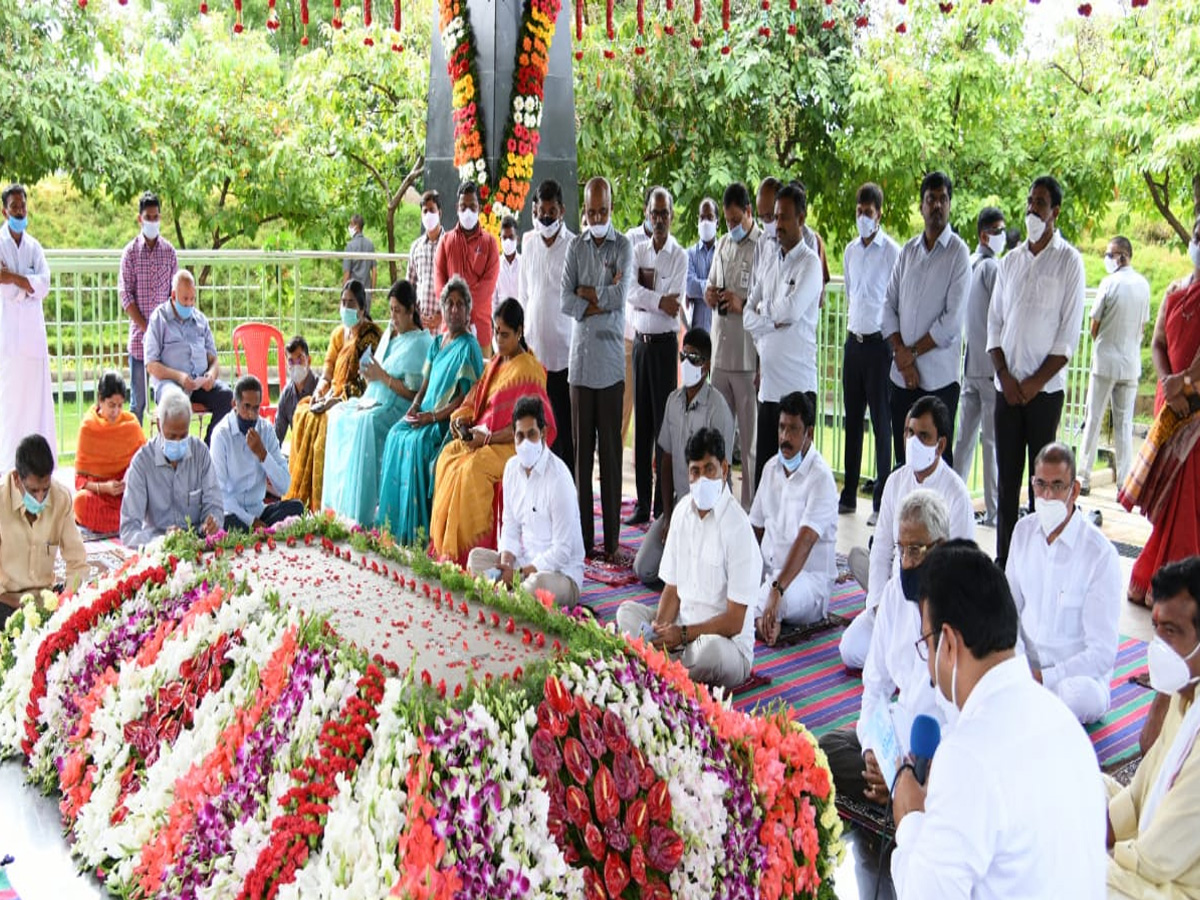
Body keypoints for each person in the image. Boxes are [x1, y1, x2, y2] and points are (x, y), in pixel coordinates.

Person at [889, 539, 1106, 899]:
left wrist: (911, 818)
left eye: (926, 644)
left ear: (948, 643)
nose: (928, 663)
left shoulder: (967, 754)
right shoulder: (1064, 722)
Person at [819, 489, 951, 809]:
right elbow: (875, 684)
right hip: (899, 732)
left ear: (941, 547)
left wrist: (907, 769)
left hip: (941, 749)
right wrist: (872, 752)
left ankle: (905, 793)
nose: (906, 562)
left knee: (948, 787)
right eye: (901, 549)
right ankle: (898, 792)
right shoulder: (894, 593)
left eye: (916, 550)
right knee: (824, 751)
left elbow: (964, 717)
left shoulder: (958, 602)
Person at [616, 427, 761, 691]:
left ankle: (654, 665)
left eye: (710, 470)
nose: (702, 478)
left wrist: (682, 635)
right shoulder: (682, 511)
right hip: (680, 631)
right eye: (696, 471)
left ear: (725, 470)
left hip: (725, 645)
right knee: (626, 611)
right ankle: (661, 662)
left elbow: (734, 621)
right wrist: (660, 630)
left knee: (709, 652)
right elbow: (672, 589)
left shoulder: (738, 527)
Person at [988, 175, 1086, 566]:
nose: (1032, 210)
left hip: (1044, 394)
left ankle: (1038, 565)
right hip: (1006, 391)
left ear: (1055, 212)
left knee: (1042, 487)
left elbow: (1066, 340)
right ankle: (1004, 565)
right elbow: (994, 326)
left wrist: (1031, 384)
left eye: (1040, 203)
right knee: (1007, 482)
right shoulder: (1009, 261)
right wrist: (1007, 379)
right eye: (1029, 202)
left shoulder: (1069, 261)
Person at [840, 395, 975, 669]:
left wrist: (929, 618)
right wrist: (877, 606)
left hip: (934, 610)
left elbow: (961, 571)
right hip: (894, 595)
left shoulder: (956, 493)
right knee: (850, 648)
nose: (913, 442)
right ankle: (908, 665)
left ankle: (910, 664)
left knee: (932, 654)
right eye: (909, 432)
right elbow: (881, 549)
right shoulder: (895, 481)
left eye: (923, 436)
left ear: (941, 445)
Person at [430, 297, 555, 565]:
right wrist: (461, 420)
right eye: (496, 332)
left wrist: (487, 438)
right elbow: (474, 399)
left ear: (520, 332)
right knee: (448, 457)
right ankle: (445, 549)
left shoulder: (530, 371)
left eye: (505, 334)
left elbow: (529, 429)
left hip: (512, 445)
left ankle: (469, 554)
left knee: (470, 470)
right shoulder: (498, 362)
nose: (498, 340)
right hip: (483, 438)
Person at [1004, 442, 1121, 723]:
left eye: (1057, 486)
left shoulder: (1099, 554)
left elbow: (1102, 653)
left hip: (1075, 679)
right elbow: (1007, 612)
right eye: (1040, 484)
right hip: (1026, 669)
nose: (1047, 495)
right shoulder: (1022, 532)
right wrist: (1018, 666)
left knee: (1077, 697)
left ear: (1075, 490)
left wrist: (1046, 677)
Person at [1105, 556, 1200, 899]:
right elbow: (1141, 786)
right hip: (1152, 861)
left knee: (1074, 875)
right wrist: (1103, 824)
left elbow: (1157, 860)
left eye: (1171, 632)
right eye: (1155, 628)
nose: (1158, 646)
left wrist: (1086, 844)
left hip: (1179, 887)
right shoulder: (1186, 693)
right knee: (1075, 773)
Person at [1119, 217, 1200, 607]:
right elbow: (1157, 343)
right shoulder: (1174, 290)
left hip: (1196, 414)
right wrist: (1170, 383)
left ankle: (1176, 587)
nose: (1199, 242)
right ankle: (1159, 579)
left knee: (1187, 504)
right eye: (1198, 235)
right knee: (1168, 503)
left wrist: (1185, 384)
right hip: (1171, 409)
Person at [376, 277, 484, 543]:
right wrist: (413, 410)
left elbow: (464, 399)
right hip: (424, 413)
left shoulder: (469, 347)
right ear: (443, 309)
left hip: (444, 422)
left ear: (468, 310)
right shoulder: (437, 343)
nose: (455, 309)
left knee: (418, 445)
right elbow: (424, 386)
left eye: (461, 304)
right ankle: (395, 527)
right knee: (395, 435)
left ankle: (420, 532)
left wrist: (432, 417)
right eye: (450, 304)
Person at [561, 176, 633, 561]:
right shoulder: (575, 246)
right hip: (580, 366)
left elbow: (622, 298)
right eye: (591, 212)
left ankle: (612, 543)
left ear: (612, 208)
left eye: (603, 211)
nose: (597, 217)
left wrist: (588, 293)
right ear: (584, 210)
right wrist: (598, 296)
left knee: (610, 456)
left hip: (609, 366)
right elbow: (564, 299)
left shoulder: (624, 246)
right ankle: (584, 542)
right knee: (581, 458)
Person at [321, 280, 431, 526]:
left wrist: (383, 378)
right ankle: (338, 507)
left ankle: (362, 514)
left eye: (398, 311)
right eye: (390, 310)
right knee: (338, 413)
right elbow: (377, 370)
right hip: (373, 398)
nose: (393, 317)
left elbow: (415, 394)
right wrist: (371, 375)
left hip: (397, 408)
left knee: (365, 424)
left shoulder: (421, 343)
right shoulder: (390, 334)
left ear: (411, 310)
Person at [736, 183, 824, 489]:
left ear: (801, 218)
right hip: (769, 391)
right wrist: (769, 321)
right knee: (768, 480)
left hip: (798, 388)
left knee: (797, 481)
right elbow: (747, 313)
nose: (778, 224)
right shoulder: (771, 258)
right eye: (775, 217)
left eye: (784, 217)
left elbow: (792, 310)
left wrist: (766, 312)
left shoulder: (810, 263)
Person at [883, 171, 971, 468]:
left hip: (939, 382)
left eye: (943, 199)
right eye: (930, 199)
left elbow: (951, 321)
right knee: (904, 460)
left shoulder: (959, 254)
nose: (936, 205)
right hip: (902, 379)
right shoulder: (907, 251)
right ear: (921, 206)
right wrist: (901, 355)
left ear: (950, 204)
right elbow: (888, 306)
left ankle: (935, 518)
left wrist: (912, 354)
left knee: (937, 464)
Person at [633, 328, 734, 587]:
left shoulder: (718, 408)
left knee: (705, 575)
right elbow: (666, 460)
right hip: (680, 505)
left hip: (711, 509)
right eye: (684, 356)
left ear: (707, 365)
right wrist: (668, 516)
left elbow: (722, 474)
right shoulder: (673, 401)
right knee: (643, 568)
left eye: (695, 358)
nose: (687, 363)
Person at [466, 396, 585, 606]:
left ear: (544, 434)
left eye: (532, 435)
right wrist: (505, 567)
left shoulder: (559, 478)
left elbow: (562, 551)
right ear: (513, 437)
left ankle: (511, 595)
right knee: (475, 559)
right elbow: (510, 526)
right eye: (520, 436)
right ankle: (510, 593)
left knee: (537, 585)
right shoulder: (512, 469)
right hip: (522, 566)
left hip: (559, 575)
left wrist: (520, 574)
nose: (525, 442)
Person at [284, 280, 382, 510]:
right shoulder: (339, 334)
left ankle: (320, 503)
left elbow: (364, 382)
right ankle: (300, 496)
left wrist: (334, 401)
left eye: (351, 303)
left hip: (354, 399)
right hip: (332, 395)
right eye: (343, 302)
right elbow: (327, 373)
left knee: (323, 422)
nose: (345, 307)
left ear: (361, 308)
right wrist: (320, 394)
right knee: (304, 412)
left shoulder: (370, 335)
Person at [750, 391, 838, 645]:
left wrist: (778, 588)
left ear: (809, 432)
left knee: (770, 598)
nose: (785, 437)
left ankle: (759, 618)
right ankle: (762, 621)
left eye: (793, 430)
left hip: (807, 582)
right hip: (769, 573)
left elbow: (806, 539)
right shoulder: (770, 468)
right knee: (723, 584)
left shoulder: (820, 477)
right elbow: (754, 528)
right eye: (781, 428)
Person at [625, 186, 687, 526]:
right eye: (654, 213)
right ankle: (641, 502)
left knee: (664, 428)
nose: (659, 219)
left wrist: (651, 298)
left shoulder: (679, 255)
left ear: (671, 216)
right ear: (647, 215)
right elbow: (630, 293)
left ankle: (663, 505)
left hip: (665, 348)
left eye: (664, 213)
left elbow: (673, 303)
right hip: (640, 346)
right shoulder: (637, 251)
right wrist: (656, 299)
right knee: (642, 427)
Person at [840, 182, 901, 522]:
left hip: (880, 347)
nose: (863, 217)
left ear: (880, 214)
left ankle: (881, 502)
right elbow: (852, 293)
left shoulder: (892, 252)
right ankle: (848, 495)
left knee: (882, 424)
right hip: (854, 343)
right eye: (859, 211)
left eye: (869, 212)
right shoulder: (850, 251)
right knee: (852, 422)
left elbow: (894, 302)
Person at [1079, 235, 1151, 495]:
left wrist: (1104, 340)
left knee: (1093, 418)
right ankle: (1124, 482)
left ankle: (1083, 477)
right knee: (1124, 424)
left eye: (1110, 254)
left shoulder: (1109, 284)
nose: (1108, 258)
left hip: (1105, 362)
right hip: (1130, 364)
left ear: (1122, 256)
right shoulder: (1143, 285)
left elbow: (1094, 325)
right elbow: (1143, 326)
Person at [705, 181, 761, 509]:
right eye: (727, 221)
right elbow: (712, 284)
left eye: (736, 220)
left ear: (749, 213)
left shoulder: (762, 246)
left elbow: (764, 298)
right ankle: (719, 501)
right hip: (721, 353)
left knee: (749, 444)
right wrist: (712, 295)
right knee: (719, 433)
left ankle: (749, 510)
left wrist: (744, 303)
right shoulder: (723, 244)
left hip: (747, 356)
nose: (731, 226)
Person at [953, 207, 1006, 528]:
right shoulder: (992, 269)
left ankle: (954, 504)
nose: (1002, 236)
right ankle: (995, 510)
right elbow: (1002, 314)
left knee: (964, 441)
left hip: (969, 364)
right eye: (998, 230)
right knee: (991, 443)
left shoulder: (968, 264)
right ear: (985, 234)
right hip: (989, 367)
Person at [519, 179, 576, 472]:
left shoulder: (574, 246)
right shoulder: (528, 245)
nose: (546, 217)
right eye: (542, 211)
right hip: (534, 359)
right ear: (534, 210)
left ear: (562, 211)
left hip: (565, 358)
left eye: (552, 211)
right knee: (535, 430)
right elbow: (524, 295)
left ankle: (567, 494)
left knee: (564, 432)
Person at [120, 390, 223, 547]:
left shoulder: (200, 452)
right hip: (157, 549)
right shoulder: (142, 463)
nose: (178, 441)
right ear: (160, 427)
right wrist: (161, 540)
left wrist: (211, 523)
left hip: (197, 543)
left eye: (183, 435)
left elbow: (214, 505)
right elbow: (128, 531)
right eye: (172, 436)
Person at [143, 269, 234, 444]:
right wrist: (180, 377)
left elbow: (213, 360)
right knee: (175, 402)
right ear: (174, 295)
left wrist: (210, 376)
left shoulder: (200, 319)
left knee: (228, 396)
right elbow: (151, 365)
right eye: (185, 299)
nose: (189, 304)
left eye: (193, 299)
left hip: (199, 383)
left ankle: (208, 448)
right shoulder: (158, 319)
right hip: (170, 383)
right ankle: (175, 452)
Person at [0, 184, 54, 472]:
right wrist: (26, 283)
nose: (20, 211)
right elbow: (4, 290)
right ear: (4, 210)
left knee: (36, 405)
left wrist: (15, 278)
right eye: (14, 207)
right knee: (9, 406)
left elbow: (43, 284)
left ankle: (38, 465)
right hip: (7, 339)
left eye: (23, 206)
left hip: (33, 339)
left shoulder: (34, 247)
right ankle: (8, 467)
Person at [0, 435, 87, 613]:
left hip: (47, 599)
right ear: (17, 479)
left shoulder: (60, 498)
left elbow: (77, 560)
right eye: (33, 491)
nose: (40, 498)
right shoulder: (2, 500)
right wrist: (16, 603)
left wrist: (67, 599)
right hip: (7, 600)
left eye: (45, 489)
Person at [210, 375, 304, 532]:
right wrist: (250, 521)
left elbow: (284, 487)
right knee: (223, 522)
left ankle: (258, 531)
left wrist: (263, 455)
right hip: (233, 513)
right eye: (246, 407)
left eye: (255, 408)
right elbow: (219, 494)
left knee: (297, 508)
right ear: (235, 404)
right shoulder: (221, 434)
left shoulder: (266, 430)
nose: (251, 414)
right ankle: (258, 531)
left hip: (260, 511)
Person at [118, 190, 178, 424]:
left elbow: (174, 294)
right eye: (148, 217)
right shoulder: (130, 253)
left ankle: (163, 449)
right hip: (139, 340)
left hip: (166, 342)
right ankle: (134, 452)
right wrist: (146, 327)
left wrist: (163, 328)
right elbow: (126, 296)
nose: (152, 221)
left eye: (156, 217)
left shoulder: (169, 252)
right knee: (138, 403)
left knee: (166, 400)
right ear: (139, 219)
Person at [72, 372, 147, 534]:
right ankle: (129, 522)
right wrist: (104, 487)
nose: (116, 412)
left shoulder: (131, 425)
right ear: (100, 400)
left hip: (127, 496)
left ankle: (129, 519)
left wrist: (130, 482)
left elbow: (146, 463)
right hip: (100, 496)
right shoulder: (88, 428)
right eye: (111, 405)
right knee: (80, 502)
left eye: (120, 406)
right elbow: (79, 481)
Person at [434, 181, 500, 351]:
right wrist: (455, 309)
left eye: (472, 206)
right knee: (450, 376)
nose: (468, 211)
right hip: (451, 328)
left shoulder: (490, 243)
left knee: (481, 377)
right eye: (463, 207)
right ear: (457, 207)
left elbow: (488, 285)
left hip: (481, 329)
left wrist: (463, 308)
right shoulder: (446, 241)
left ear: (479, 207)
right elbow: (439, 284)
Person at [408, 190, 445, 333]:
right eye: (425, 211)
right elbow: (410, 286)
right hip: (420, 326)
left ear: (439, 213)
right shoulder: (416, 247)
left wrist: (442, 316)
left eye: (432, 210)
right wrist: (415, 315)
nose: (428, 215)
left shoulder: (449, 244)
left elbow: (457, 286)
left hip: (443, 327)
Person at [275, 336, 319, 446]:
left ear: (309, 360)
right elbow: (277, 435)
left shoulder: (321, 389)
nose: (296, 365)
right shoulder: (287, 395)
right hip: (298, 454)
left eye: (300, 359)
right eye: (291, 361)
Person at [686, 197, 718, 333]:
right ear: (697, 221)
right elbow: (689, 286)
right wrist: (713, 288)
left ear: (717, 222)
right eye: (702, 218)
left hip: (720, 333)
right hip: (696, 332)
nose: (705, 222)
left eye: (710, 217)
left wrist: (700, 288)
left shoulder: (724, 253)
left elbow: (728, 286)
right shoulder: (689, 254)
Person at [343, 213, 377, 311]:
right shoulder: (370, 245)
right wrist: (372, 291)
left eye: (351, 224)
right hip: (366, 293)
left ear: (356, 226)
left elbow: (347, 273)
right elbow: (374, 271)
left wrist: (343, 293)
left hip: (352, 294)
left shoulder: (350, 246)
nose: (349, 227)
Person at [494, 215, 521, 313]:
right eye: (504, 238)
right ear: (500, 239)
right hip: (501, 320)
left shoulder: (524, 264)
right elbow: (493, 300)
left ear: (517, 239)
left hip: (521, 319)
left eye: (511, 237)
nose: (507, 241)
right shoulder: (495, 266)